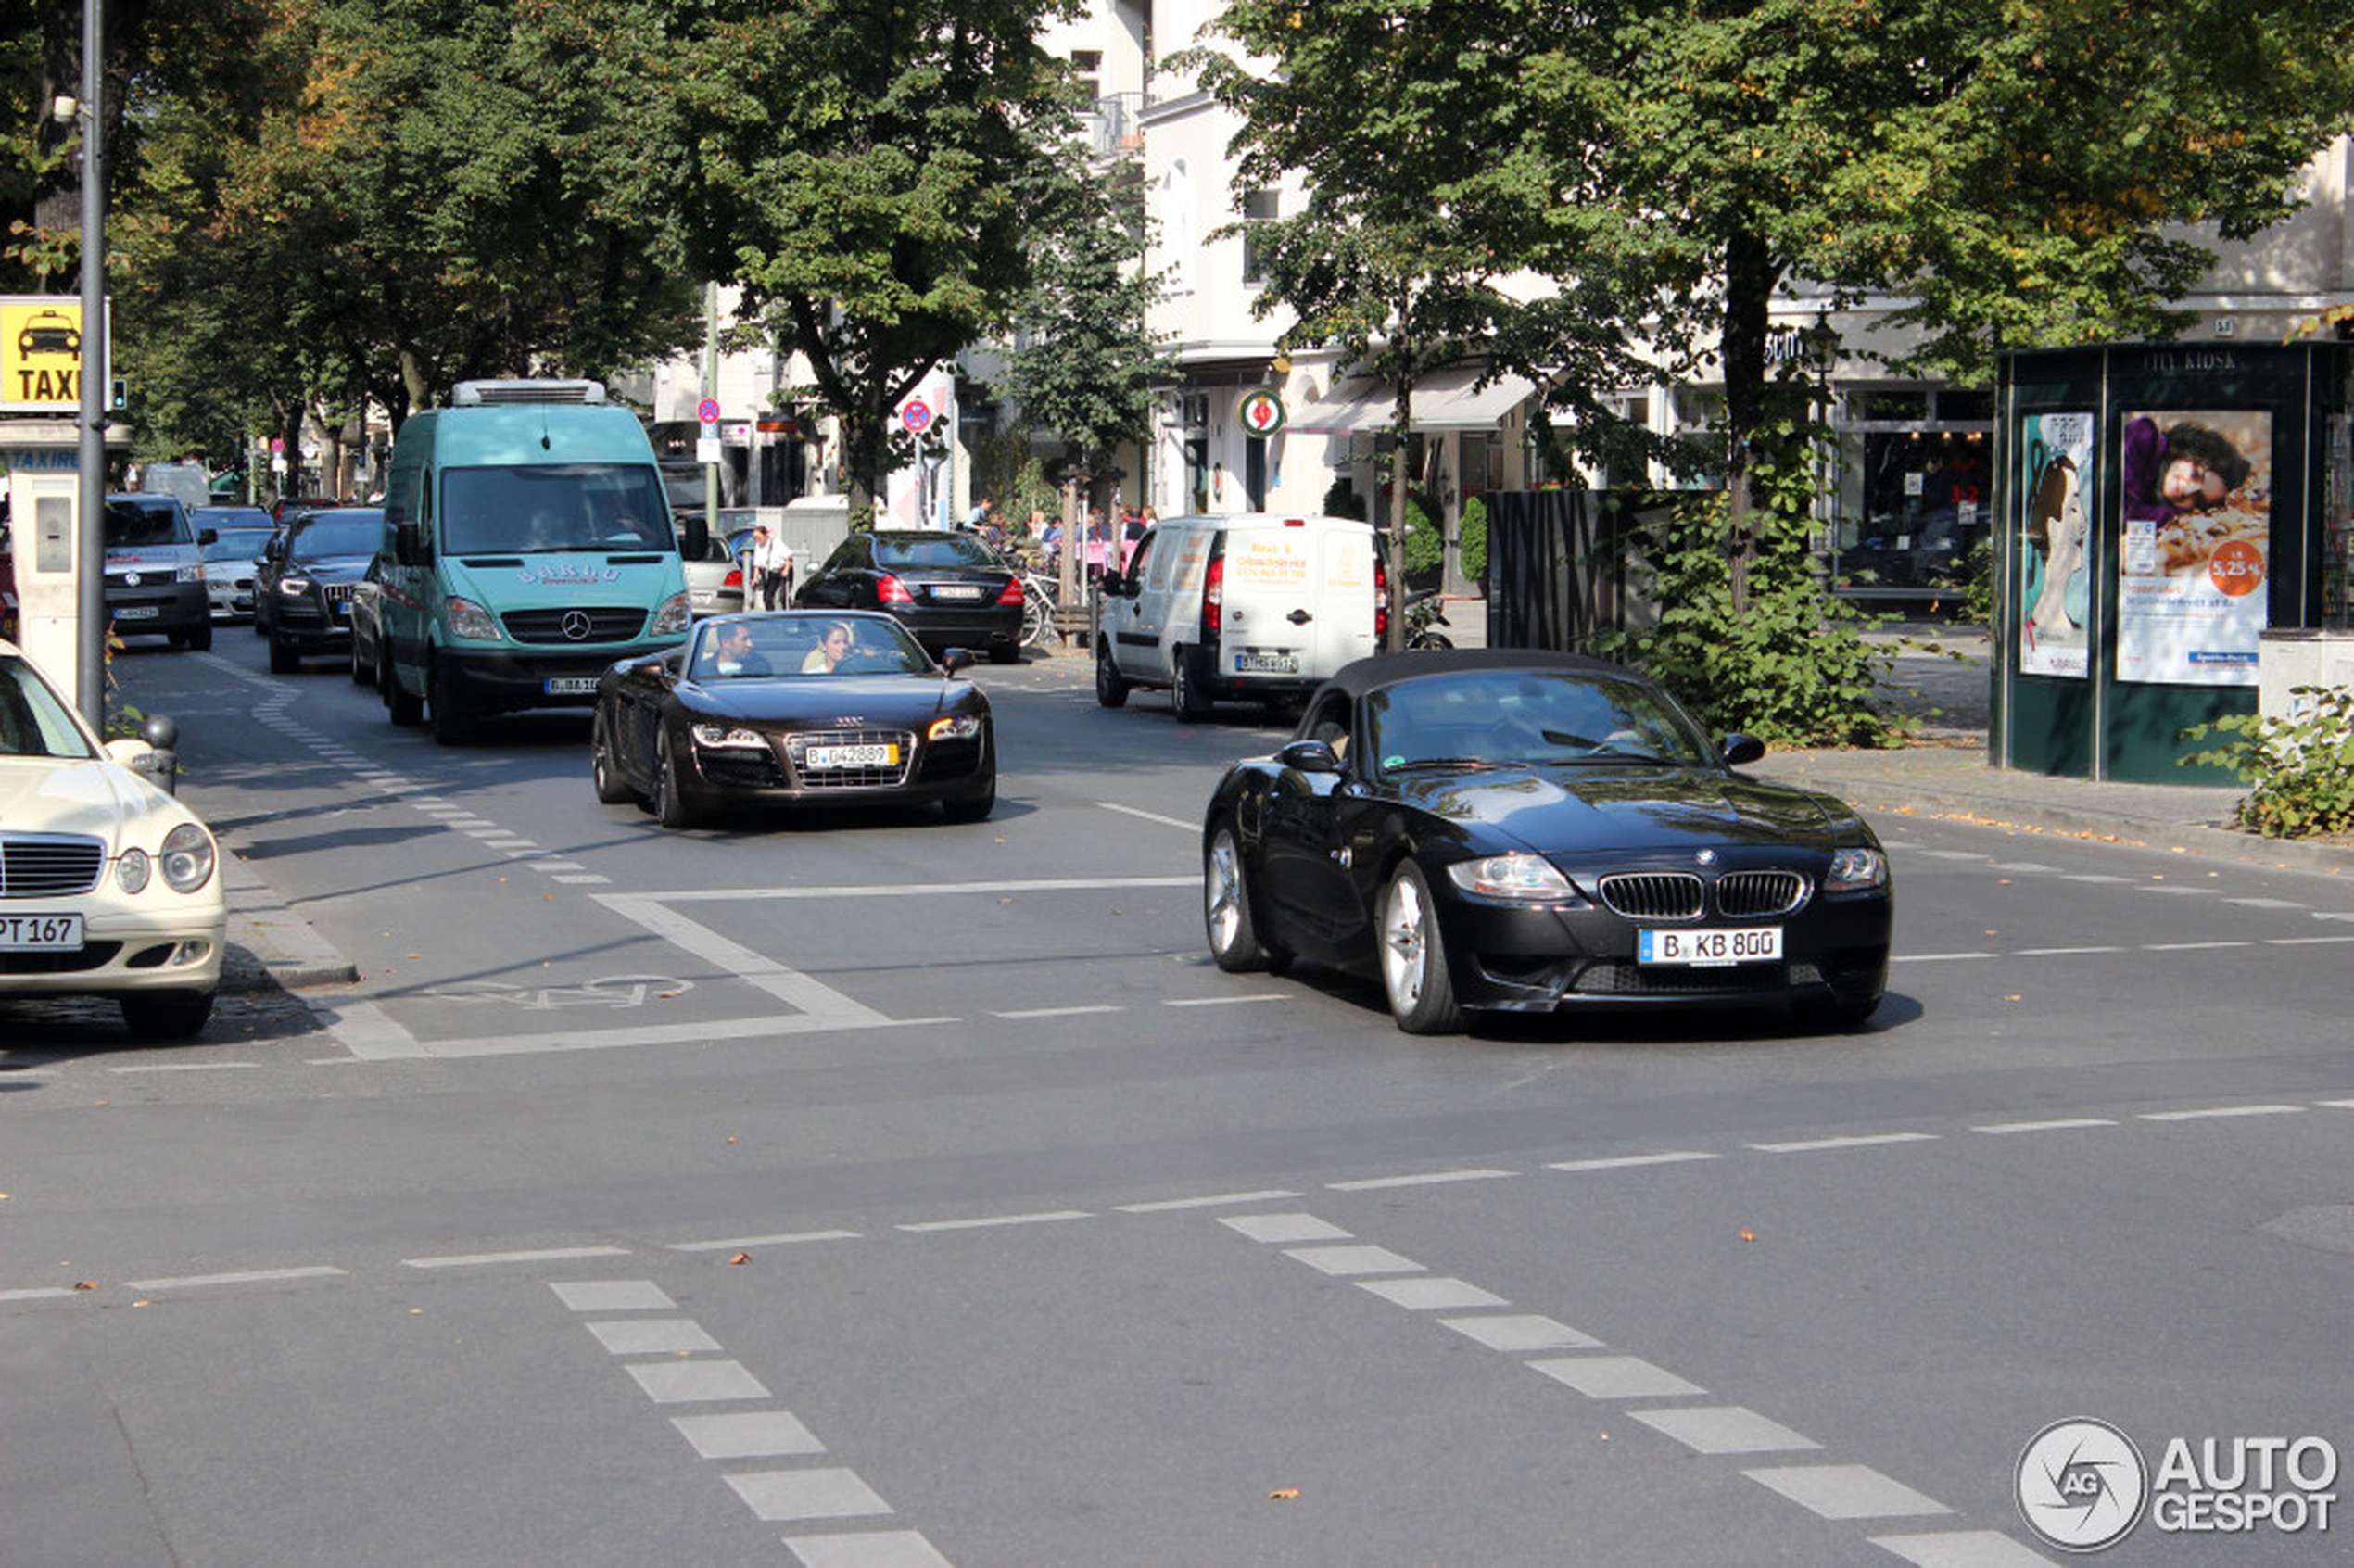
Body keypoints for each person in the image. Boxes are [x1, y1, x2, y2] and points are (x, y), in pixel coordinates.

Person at [749, 523, 794, 610]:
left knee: (783, 597)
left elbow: (789, 556)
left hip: (782, 570)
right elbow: (757, 565)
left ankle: (787, 614)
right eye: (755, 538)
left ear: (765, 535)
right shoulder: (758, 547)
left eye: (759, 537)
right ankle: (770, 615)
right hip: (771, 572)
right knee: (767, 596)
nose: (757, 540)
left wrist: (786, 569)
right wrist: (755, 578)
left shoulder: (776, 543)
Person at [705, 620, 771, 677]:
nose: (750, 644)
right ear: (725, 642)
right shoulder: (704, 670)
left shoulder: (759, 665)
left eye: (750, 638)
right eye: (744, 639)